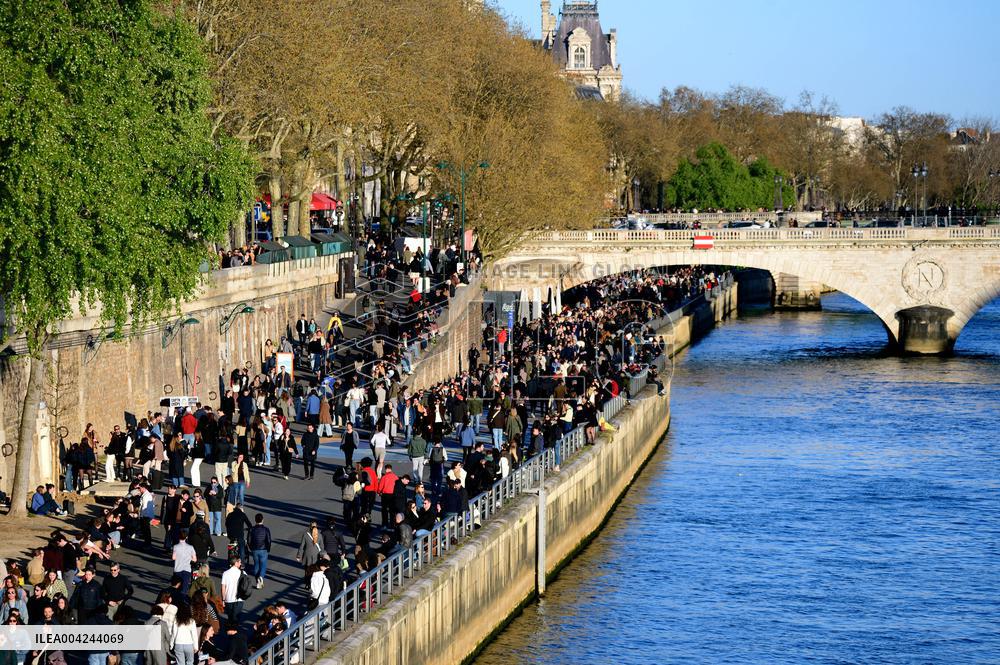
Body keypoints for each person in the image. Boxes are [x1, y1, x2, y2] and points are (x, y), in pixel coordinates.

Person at [248, 514, 271, 590]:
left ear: (255, 520)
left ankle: (258, 582)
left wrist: (251, 548)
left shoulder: (251, 529)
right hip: (263, 549)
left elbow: (248, 540)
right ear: (262, 520)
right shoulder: (266, 529)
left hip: (254, 550)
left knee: (256, 565)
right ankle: (261, 577)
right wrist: (268, 548)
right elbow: (268, 540)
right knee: (263, 565)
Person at [172, 530, 198, 596]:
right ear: (186, 537)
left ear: (179, 537)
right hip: (187, 569)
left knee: (176, 587)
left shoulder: (176, 547)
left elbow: (173, 558)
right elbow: (195, 559)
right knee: (184, 588)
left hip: (177, 569)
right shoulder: (191, 547)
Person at [220, 558, 244, 625]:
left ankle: (230, 630)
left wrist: (223, 599)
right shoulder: (242, 573)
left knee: (230, 617)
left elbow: (223, 587)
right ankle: (235, 631)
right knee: (237, 618)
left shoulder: (225, 573)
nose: (240, 564)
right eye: (239, 562)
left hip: (228, 599)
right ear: (236, 563)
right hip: (239, 599)